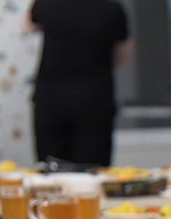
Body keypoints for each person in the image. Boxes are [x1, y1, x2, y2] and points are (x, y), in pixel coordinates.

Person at [24, 0, 132, 167]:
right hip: (94, 98)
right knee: (92, 170)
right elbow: (122, 54)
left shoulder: (47, 3)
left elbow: (28, 25)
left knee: (51, 171)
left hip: (51, 98)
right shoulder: (112, 8)